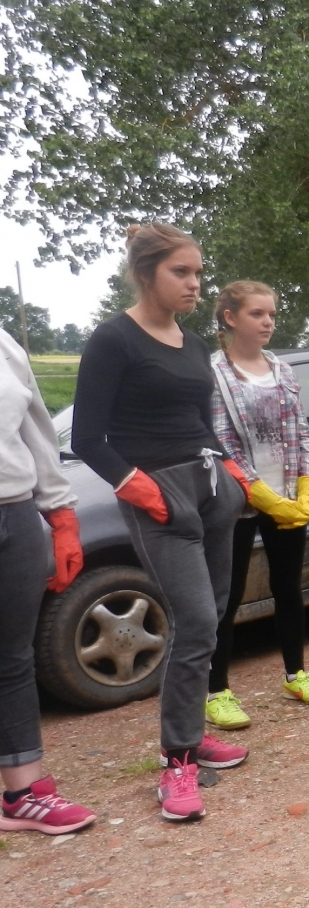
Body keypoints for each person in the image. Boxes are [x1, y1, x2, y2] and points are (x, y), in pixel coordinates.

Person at [72, 224, 250, 822]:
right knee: (196, 618)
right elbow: (87, 438)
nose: (196, 284)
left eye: (199, 273)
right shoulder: (113, 340)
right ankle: (177, 762)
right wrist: (142, 489)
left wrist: (232, 473)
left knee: (214, 614)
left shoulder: (195, 344)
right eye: (182, 273)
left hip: (211, 489)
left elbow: (202, 423)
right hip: (160, 497)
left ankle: (193, 732)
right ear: (146, 273)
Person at [206, 281, 309, 730]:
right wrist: (259, 493)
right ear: (230, 318)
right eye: (257, 314)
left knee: (289, 587)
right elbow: (221, 442)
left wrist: (307, 481)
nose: (268, 322)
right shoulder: (215, 372)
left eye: (272, 314)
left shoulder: (282, 369)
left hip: (289, 497)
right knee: (229, 593)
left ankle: (296, 674)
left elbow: (301, 431)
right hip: (239, 500)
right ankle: (217, 690)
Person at [0, 329, 97, 836]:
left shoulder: (4, 343)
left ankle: (20, 794)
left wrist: (61, 514)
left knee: (12, 658)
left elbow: (37, 426)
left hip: (13, 512)